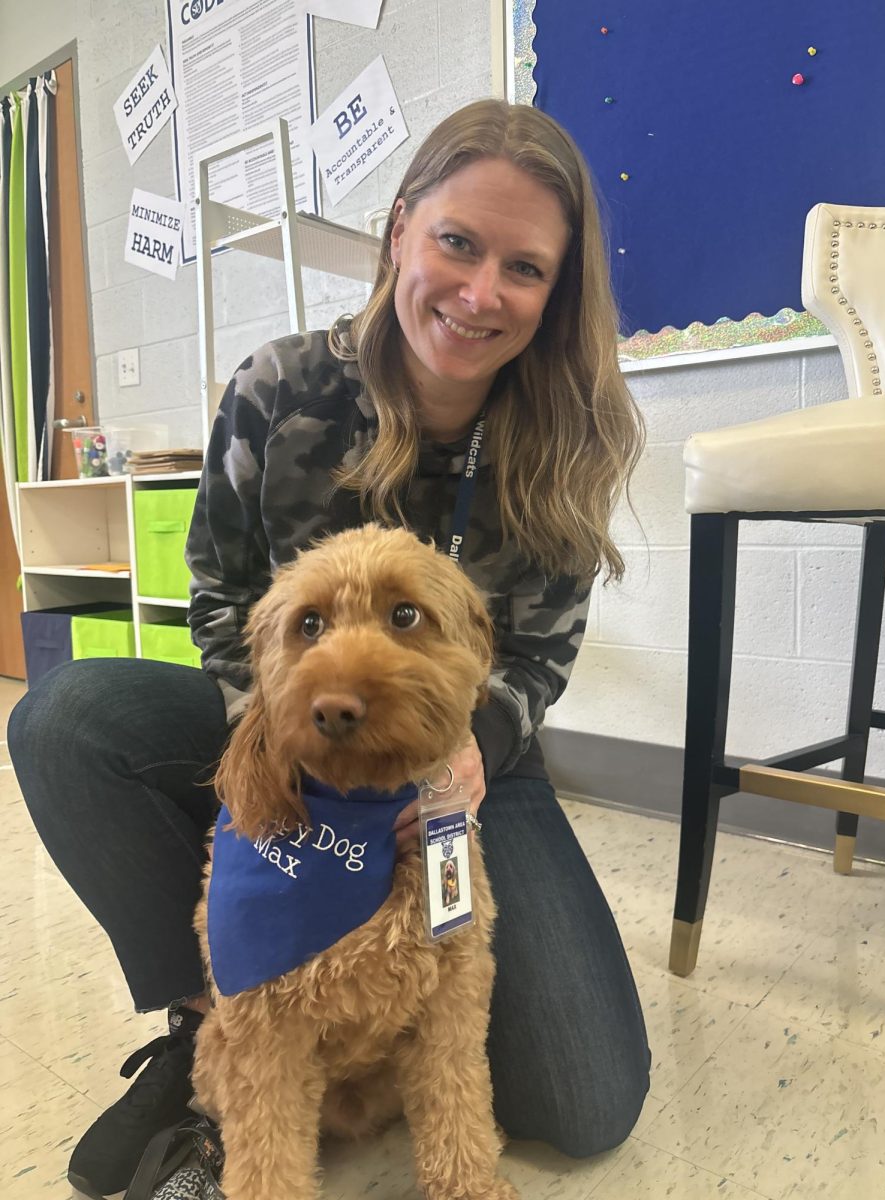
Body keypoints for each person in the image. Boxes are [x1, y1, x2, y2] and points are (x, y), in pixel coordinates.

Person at [9, 98, 649, 1199]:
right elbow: (219, 596)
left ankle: (385, 1023)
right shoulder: (281, 389)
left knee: (585, 1100)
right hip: (281, 726)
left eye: (525, 268)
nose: (480, 291)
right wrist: (273, 755)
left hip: (464, 760)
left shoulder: (566, 439)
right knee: (63, 717)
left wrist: (468, 762)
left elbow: (536, 658)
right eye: (457, 242)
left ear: (558, 290)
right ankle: (218, 1016)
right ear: (401, 227)